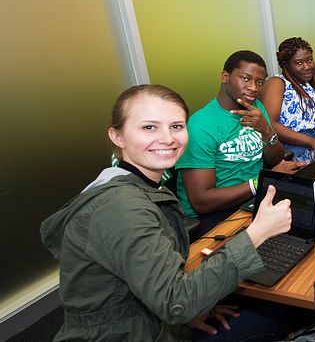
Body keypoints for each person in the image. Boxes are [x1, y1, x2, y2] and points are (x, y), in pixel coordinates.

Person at [40, 84, 294, 341]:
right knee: (275, 317)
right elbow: (178, 302)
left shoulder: (135, 184)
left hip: (147, 318)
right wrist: (257, 232)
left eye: (176, 126)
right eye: (149, 127)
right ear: (117, 136)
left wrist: (191, 310)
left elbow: (154, 286)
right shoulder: (122, 207)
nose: (167, 138)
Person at [176, 50, 303, 235]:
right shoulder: (201, 126)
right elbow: (201, 201)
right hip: (217, 215)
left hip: (253, 198)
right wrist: (260, 182)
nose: (253, 88)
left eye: (260, 82)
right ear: (225, 76)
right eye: (245, 79)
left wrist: (266, 131)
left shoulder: (256, 107)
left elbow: (275, 159)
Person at [261, 37, 315, 162]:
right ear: (287, 65)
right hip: (293, 147)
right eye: (299, 63)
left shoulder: (310, 85)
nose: (307, 67)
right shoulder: (277, 82)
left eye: (309, 60)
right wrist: (312, 141)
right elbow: (269, 124)